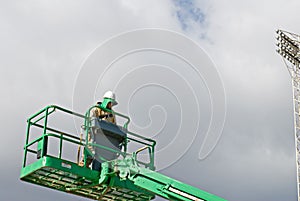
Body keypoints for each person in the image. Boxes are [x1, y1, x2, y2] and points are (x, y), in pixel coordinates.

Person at [79, 90, 118, 170]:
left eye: (112, 104)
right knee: (90, 151)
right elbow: (91, 122)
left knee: (103, 156)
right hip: (94, 135)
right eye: (110, 103)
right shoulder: (96, 109)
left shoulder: (112, 114)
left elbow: (114, 126)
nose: (111, 105)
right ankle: (83, 167)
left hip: (105, 138)